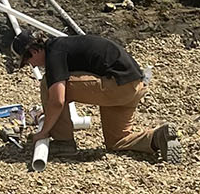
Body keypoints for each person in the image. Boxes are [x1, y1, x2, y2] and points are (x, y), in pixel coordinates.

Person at [9, 28, 177, 161]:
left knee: (49, 84)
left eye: (27, 61)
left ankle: (63, 143)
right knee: (117, 141)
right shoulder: (64, 46)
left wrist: (43, 132)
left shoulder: (54, 52)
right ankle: (158, 137)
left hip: (116, 85)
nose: (31, 65)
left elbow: (58, 101)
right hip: (133, 85)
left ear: (34, 51)